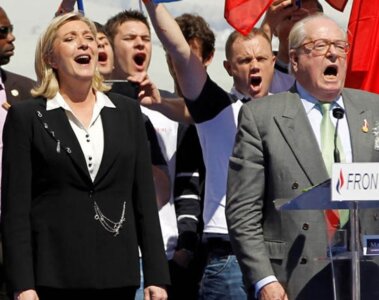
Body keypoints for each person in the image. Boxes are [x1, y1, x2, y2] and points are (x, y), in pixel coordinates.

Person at [1, 12, 169, 300]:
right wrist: (23, 284)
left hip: (119, 276)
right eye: (70, 38)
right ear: (51, 59)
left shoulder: (128, 113)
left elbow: (143, 200)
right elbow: (16, 211)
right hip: (52, 280)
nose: (84, 44)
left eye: (89, 38)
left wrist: (156, 275)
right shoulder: (27, 116)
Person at [226, 14, 379, 300]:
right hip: (293, 280)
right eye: (319, 46)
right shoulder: (261, 117)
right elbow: (242, 211)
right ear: (294, 61)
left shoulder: (373, 109)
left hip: (368, 274)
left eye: (339, 46)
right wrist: (264, 280)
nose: (333, 53)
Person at [143, 1, 275, 299]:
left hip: (282, 256)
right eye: (244, 60)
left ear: (274, 61)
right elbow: (180, 52)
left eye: (261, 58)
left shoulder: (291, 111)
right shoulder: (217, 109)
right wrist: (152, 6)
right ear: (228, 67)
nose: (254, 65)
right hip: (230, 260)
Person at [0, 6, 35, 299]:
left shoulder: (26, 92)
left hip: (15, 233)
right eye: (3, 32)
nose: (11, 38)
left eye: (11, 30)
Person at [261, 0, 323, 93]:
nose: (298, 26)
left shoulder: (333, 73)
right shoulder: (260, 73)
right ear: (274, 29)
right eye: (290, 17)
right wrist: (267, 27)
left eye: (306, 19)